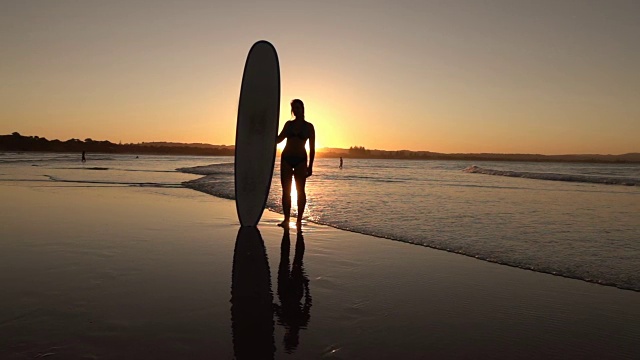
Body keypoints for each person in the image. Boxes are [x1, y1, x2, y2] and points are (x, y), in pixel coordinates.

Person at [276, 99, 315, 229]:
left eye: (298, 108)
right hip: (286, 159)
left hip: (301, 161)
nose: (296, 110)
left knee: (300, 191)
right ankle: (286, 219)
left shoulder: (309, 127)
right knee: (286, 191)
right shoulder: (289, 125)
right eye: (294, 108)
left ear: (303, 109)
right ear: (292, 111)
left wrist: (310, 166)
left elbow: (312, 148)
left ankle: (299, 220)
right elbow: (278, 140)